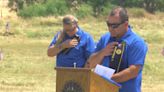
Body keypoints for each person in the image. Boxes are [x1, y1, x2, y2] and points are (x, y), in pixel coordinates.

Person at [85, 7, 148, 92]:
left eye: (114, 26)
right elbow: (91, 64)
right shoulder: (105, 38)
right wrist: (103, 52)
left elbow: (133, 71)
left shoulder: (136, 42)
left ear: (126, 24)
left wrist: (107, 79)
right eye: (108, 24)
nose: (110, 28)